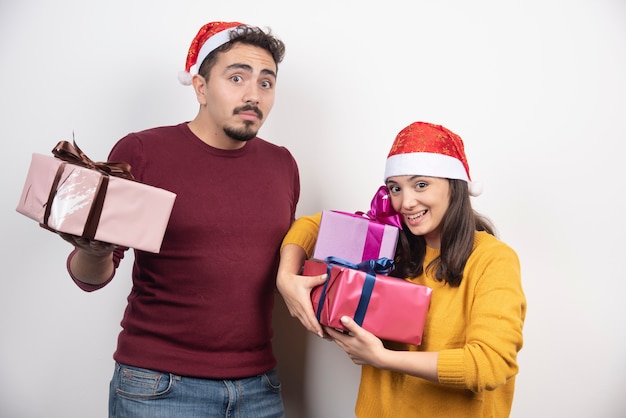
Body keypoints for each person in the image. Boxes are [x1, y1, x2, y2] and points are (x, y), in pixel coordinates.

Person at [59, 21, 299, 418]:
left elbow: (274, 271)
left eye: (266, 83)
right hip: (158, 387)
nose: (253, 95)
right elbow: (90, 278)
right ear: (201, 87)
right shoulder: (143, 151)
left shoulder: (282, 164)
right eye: (236, 77)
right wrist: (94, 249)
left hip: (260, 387)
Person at [277, 121, 526, 417]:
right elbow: (311, 225)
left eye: (421, 184)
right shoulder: (389, 243)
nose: (406, 202)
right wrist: (286, 278)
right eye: (395, 188)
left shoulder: (493, 259)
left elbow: (489, 365)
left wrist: (383, 358)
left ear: (454, 186)